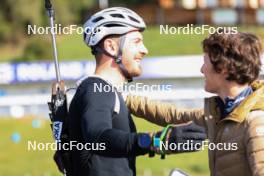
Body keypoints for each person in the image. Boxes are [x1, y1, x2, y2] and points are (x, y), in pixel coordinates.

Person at [68, 7, 206, 176]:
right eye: (136, 42)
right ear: (111, 47)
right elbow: (98, 137)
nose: (144, 49)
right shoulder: (97, 88)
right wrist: (156, 140)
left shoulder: (106, 91)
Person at [125, 31, 264, 176]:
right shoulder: (220, 113)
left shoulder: (256, 123)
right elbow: (173, 115)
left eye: (205, 62)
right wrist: (124, 98)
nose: (202, 70)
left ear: (223, 68)